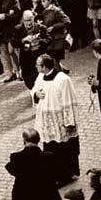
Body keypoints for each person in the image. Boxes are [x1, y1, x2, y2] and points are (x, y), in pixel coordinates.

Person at [32, 54, 81, 187]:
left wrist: (69, 122)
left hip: (60, 122)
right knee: (50, 150)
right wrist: (36, 94)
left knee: (64, 150)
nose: (36, 66)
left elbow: (69, 101)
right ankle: (54, 174)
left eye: (38, 64)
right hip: (48, 123)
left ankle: (65, 175)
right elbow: (34, 90)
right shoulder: (40, 76)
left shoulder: (63, 79)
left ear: (44, 66)